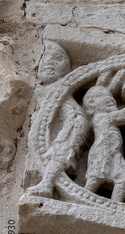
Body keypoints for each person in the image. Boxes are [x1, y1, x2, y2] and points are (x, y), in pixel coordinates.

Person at [27, 41, 91, 197]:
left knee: (59, 151)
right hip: (40, 139)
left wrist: (68, 134)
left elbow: (77, 116)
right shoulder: (43, 90)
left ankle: (48, 184)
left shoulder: (60, 90)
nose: (50, 62)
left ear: (67, 70)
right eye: (45, 58)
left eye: (57, 58)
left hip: (64, 134)